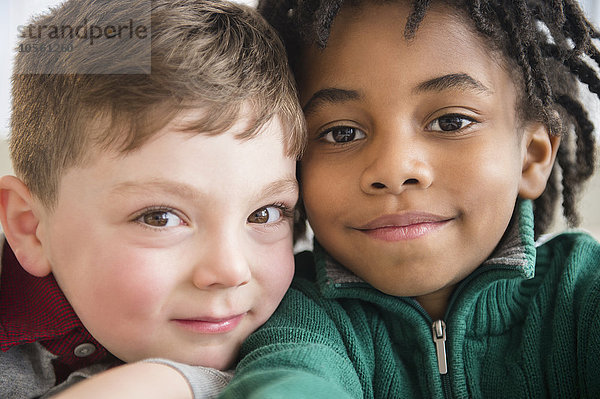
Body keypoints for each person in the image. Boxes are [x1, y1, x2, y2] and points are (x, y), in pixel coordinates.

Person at [218, 0, 600, 397]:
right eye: (342, 133)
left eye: (451, 122)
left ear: (531, 158)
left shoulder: (582, 293)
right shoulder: (294, 312)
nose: (394, 170)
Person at [0, 0, 305, 398]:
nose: (231, 271)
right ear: (32, 229)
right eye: (160, 218)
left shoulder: (308, 324)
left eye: (265, 214)